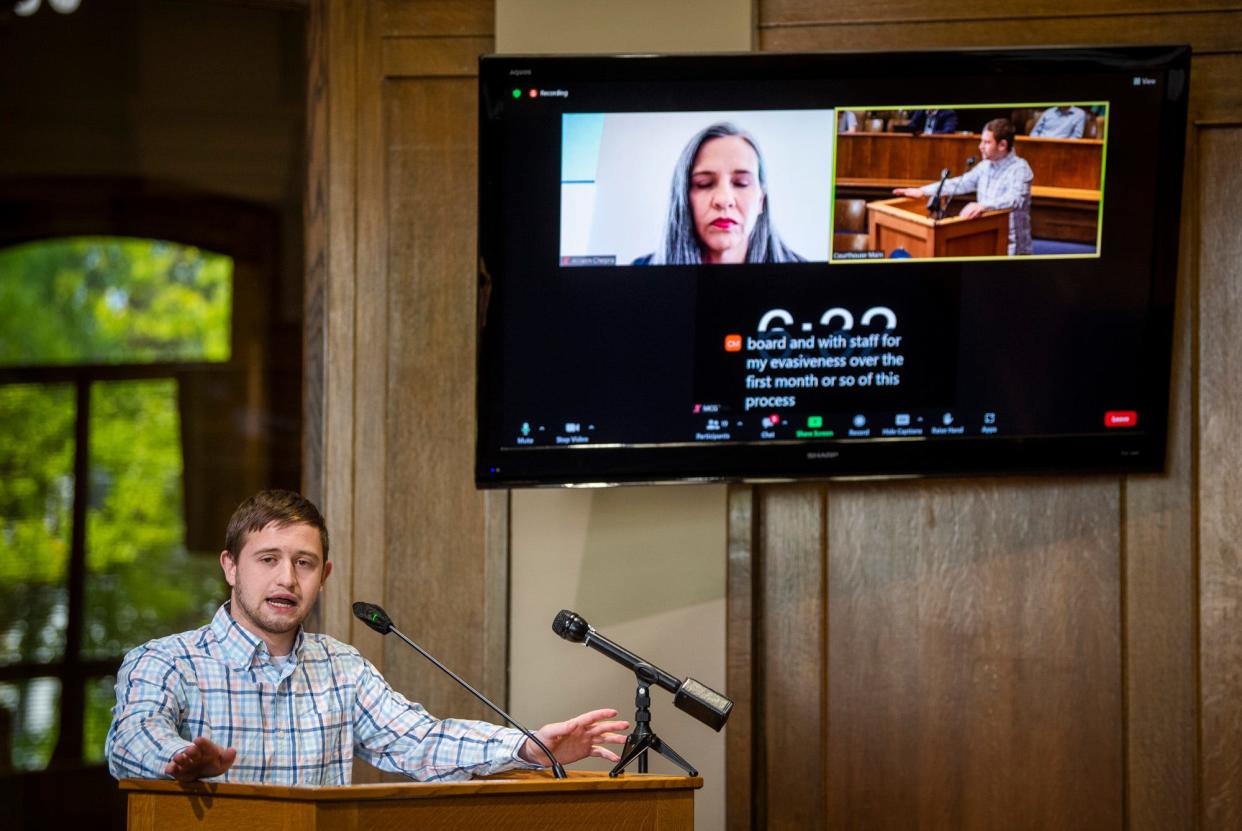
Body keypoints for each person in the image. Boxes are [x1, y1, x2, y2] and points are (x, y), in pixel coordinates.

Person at [105, 489, 629, 785]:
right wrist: (179, 759)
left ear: (323, 576)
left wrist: (528, 745)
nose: (287, 579)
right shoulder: (166, 661)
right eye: (268, 560)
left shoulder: (342, 668)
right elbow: (130, 739)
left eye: (304, 564)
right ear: (230, 568)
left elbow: (420, 741)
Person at [634, 122, 803, 265]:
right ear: (684, 198)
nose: (723, 200)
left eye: (741, 183)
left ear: (761, 201)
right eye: (704, 184)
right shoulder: (642, 270)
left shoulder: (803, 274)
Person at [893, 117, 1033, 256]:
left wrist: (983, 205)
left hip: (1013, 247)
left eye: (986, 142)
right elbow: (959, 183)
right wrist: (923, 191)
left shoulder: (1020, 168)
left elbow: (1015, 199)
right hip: (987, 239)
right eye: (981, 141)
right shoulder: (985, 166)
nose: (980, 146)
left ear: (1002, 145)